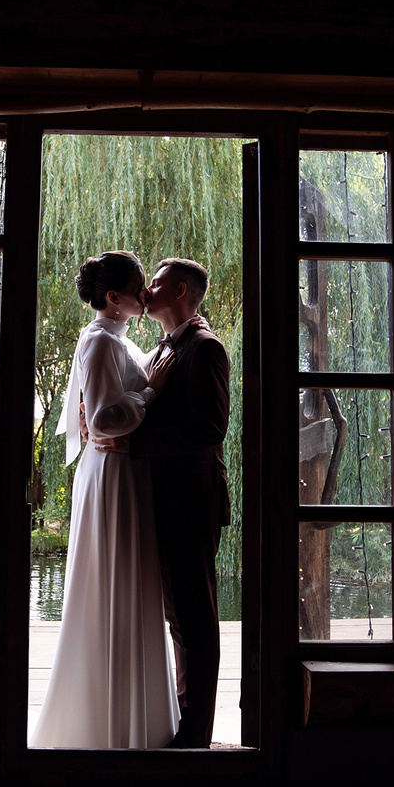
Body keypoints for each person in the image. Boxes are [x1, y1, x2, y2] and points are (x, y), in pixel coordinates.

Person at [30, 251, 179, 749]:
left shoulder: (117, 338)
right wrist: (150, 394)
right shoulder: (98, 342)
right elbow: (101, 421)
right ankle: (106, 723)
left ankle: (133, 719)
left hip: (125, 470)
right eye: (138, 288)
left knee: (130, 581)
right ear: (114, 298)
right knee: (115, 577)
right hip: (113, 473)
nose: (146, 294)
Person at [125, 258, 231, 749]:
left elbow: (209, 428)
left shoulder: (205, 348)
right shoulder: (166, 347)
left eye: (157, 281)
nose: (147, 288)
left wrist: (134, 443)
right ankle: (185, 724)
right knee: (178, 618)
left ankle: (196, 738)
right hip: (167, 500)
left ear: (181, 290)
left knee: (194, 619)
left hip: (192, 502)